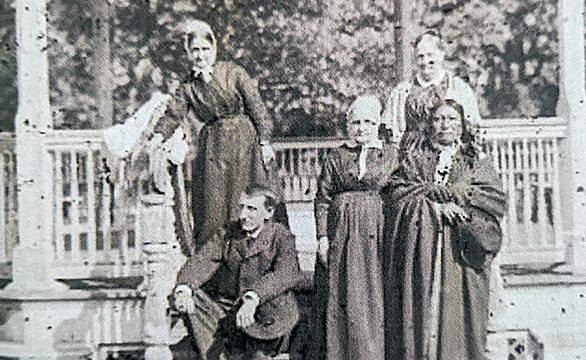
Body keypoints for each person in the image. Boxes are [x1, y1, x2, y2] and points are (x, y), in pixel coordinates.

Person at [382, 99, 506, 360]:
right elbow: (398, 192)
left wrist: (458, 200)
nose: (445, 125)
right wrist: (435, 208)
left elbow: (493, 198)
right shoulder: (416, 159)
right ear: (430, 124)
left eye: (451, 119)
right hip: (424, 247)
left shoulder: (475, 160)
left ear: (461, 125)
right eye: (439, 119)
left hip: (460, 249)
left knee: (460, 312)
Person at [154, 19, 285, 254]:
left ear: (213, 49)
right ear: (188, 53)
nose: (200, 55)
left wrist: (265, 141)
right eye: (195, 50)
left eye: (205, 49)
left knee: (246, 200)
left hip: (245, 145)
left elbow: (257, 107)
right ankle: (218, 269)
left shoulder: (233, 72)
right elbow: (173, 113)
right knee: (214, 210)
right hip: (213, 149)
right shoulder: (188, 86)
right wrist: (157, 137)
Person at [309, 95, 398, 360]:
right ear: (348, 124)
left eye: (368, 122)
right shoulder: (337, 155)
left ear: (379, 122)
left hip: (376, 235)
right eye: (356, 122)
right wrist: (322, 237)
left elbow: (398, 195)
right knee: (341, 296)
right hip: (341, 236)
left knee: (372, 296)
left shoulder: (391, 154)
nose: (361, 128)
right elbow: (323, 198)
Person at [172, 185, 301, 360]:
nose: (242, 215)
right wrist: (184, 288)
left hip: (267, 313)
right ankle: (216, 353)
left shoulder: (281, 237)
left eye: (251, 209)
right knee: (191, 297)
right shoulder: (229, 233)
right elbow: (203, 259)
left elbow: (285, 274)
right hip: (232, 309)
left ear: (268, 213)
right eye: (241, 207)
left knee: (258, 355)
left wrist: (252, 297)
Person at [382, 30, 481, 144]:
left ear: (442, 54)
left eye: (430, 55)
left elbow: (473, 127)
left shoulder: (459, 89)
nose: (425, 61)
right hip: (410, 155)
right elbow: (389, 130)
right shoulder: (401, 92)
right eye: (420, 56)